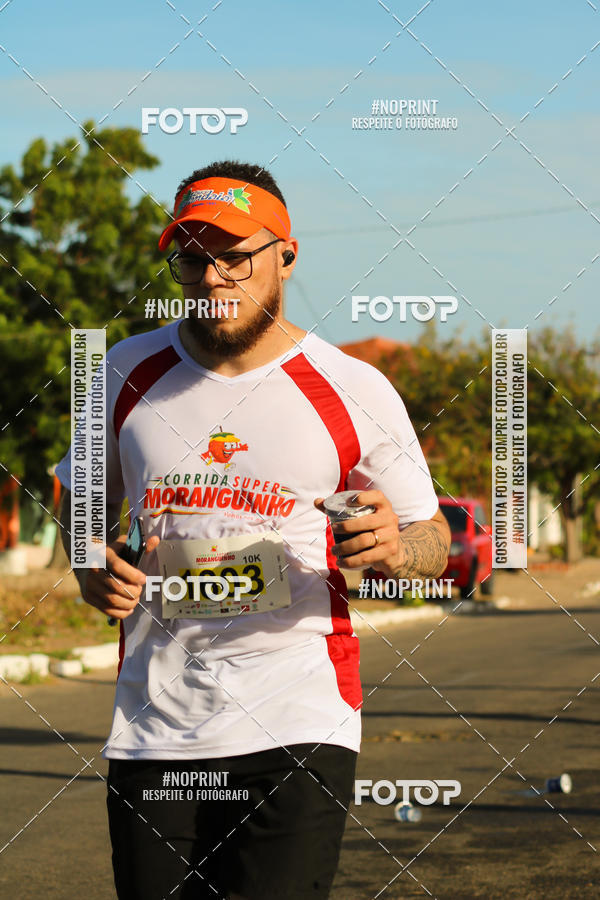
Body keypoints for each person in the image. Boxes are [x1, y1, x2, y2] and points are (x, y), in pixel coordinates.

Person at [57, 160, 450, 900]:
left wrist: (400, 549)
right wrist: (89, 563)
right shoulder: (122, 372)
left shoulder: (353, 388)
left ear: (285, 256)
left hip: (296, 725)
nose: (212, 278)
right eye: (192, 257)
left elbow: (432, 535)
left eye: (234, 255)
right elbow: (81, 506)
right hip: (154, 729)